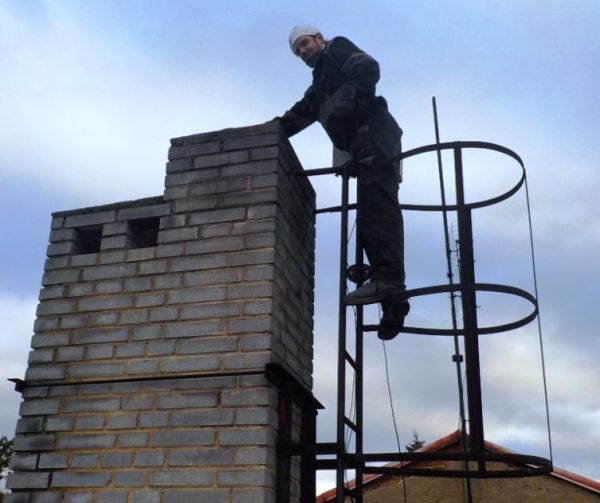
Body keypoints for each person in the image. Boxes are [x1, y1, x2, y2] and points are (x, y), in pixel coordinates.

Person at [277, 25, 409, 338]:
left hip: (375, 136)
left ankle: (390, 281)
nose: (303, 51)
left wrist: (346, 101)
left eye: (305, 43)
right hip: (360, 147)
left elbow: (368, 68)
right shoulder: (317, 88)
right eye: (298, 51)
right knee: (369, 218)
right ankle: (393, 301)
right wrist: (270, 132)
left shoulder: (336, 49)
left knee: (379, 208)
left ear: (319, 38)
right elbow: (297, 116)